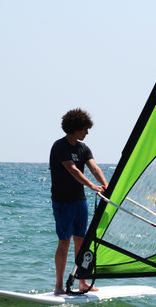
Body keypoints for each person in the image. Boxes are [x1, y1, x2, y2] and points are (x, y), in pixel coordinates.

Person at [49, 108, 108, 295]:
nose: (87, 132)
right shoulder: (60, 147)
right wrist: (92, 186)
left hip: (79, 201)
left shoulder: (83, 148)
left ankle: (82, 281)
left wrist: (106, 185)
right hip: (62, 202)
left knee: (81, 242)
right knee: (64, 242)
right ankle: (58, 286)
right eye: (85, 129)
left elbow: (94, 167)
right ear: (75, 128)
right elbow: (73, 170)